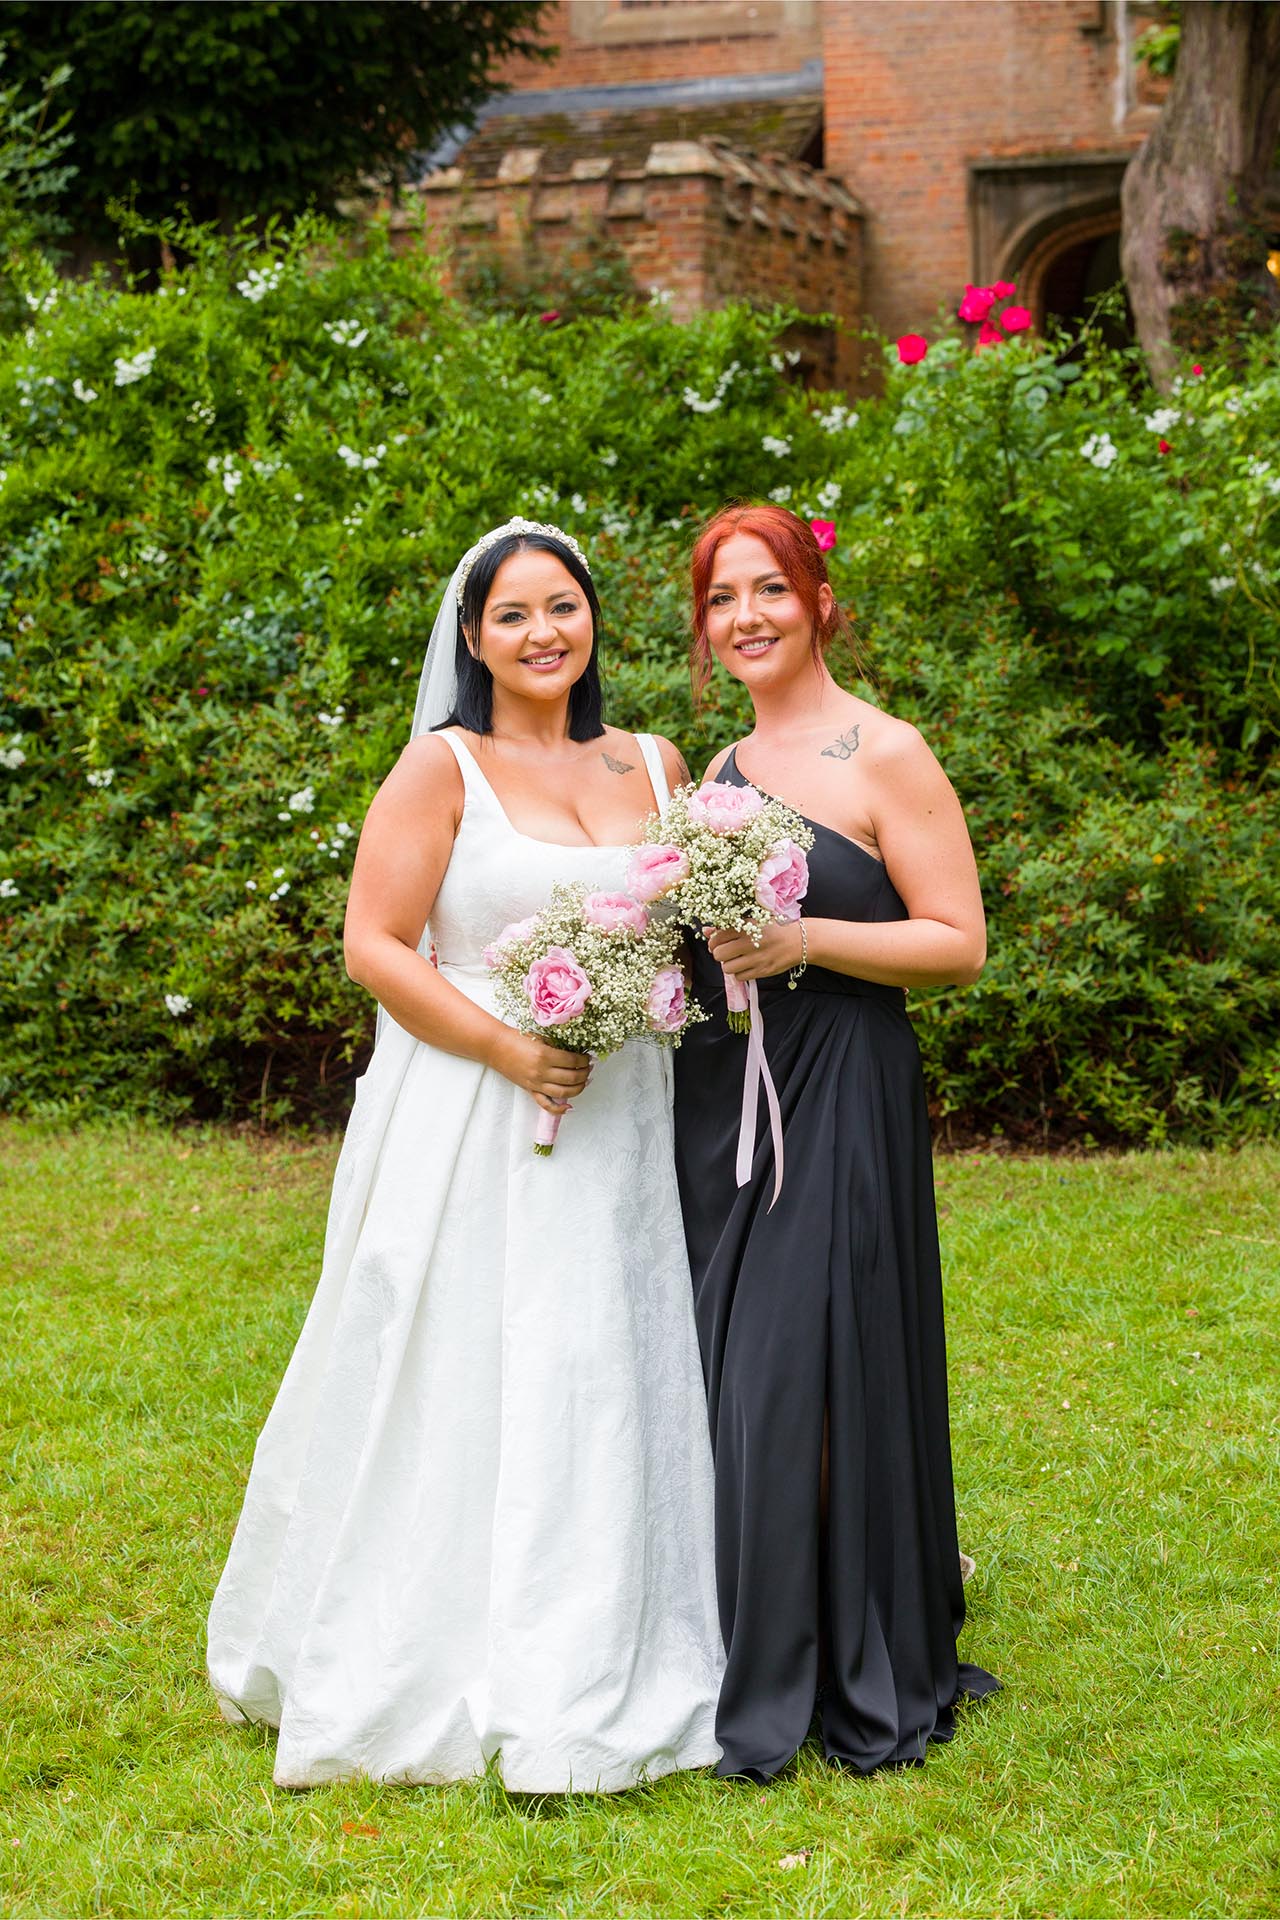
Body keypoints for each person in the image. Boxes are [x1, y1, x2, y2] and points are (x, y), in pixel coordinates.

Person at [208, 519, 723, 1792]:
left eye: (563, 606)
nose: (543, 632)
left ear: (592, 617)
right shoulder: (442, 766)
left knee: (604, 1355)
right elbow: (375, 944)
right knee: (466, 1356)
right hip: (472, 1105)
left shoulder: (653, 761)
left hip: (624, 1109)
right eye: (513, 614)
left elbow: (688, 924)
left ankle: (616, 1633)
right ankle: (433, 1644)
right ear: (473, 637)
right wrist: (508, 1048)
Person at [673, 502, 998, 1782]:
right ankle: (776, 1632)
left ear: (817, 600)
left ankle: (846, 1649)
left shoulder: (886, 753)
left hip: (844, 1084)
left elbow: (955, 942)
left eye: (766, 588)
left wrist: (803, 940)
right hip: (729, 1095)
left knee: (809, 1362)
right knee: (742, 1364)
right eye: (719, 598)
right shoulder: (714, 772)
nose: (743, 616)